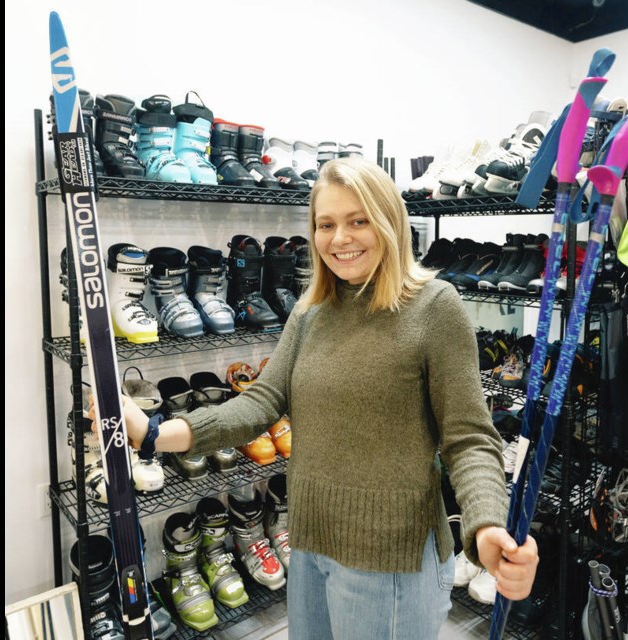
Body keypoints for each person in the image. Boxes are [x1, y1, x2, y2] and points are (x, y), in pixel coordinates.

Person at [92, 156, 538, 639]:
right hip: (309, 546)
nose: (339, 238)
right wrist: (154, 433)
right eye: (326, 224)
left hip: (391, 564)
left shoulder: (434, 307)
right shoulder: (311, 312)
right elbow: (259, 403)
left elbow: (469, 436)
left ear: (389, 221)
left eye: (358, 221)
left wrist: (487, 524)